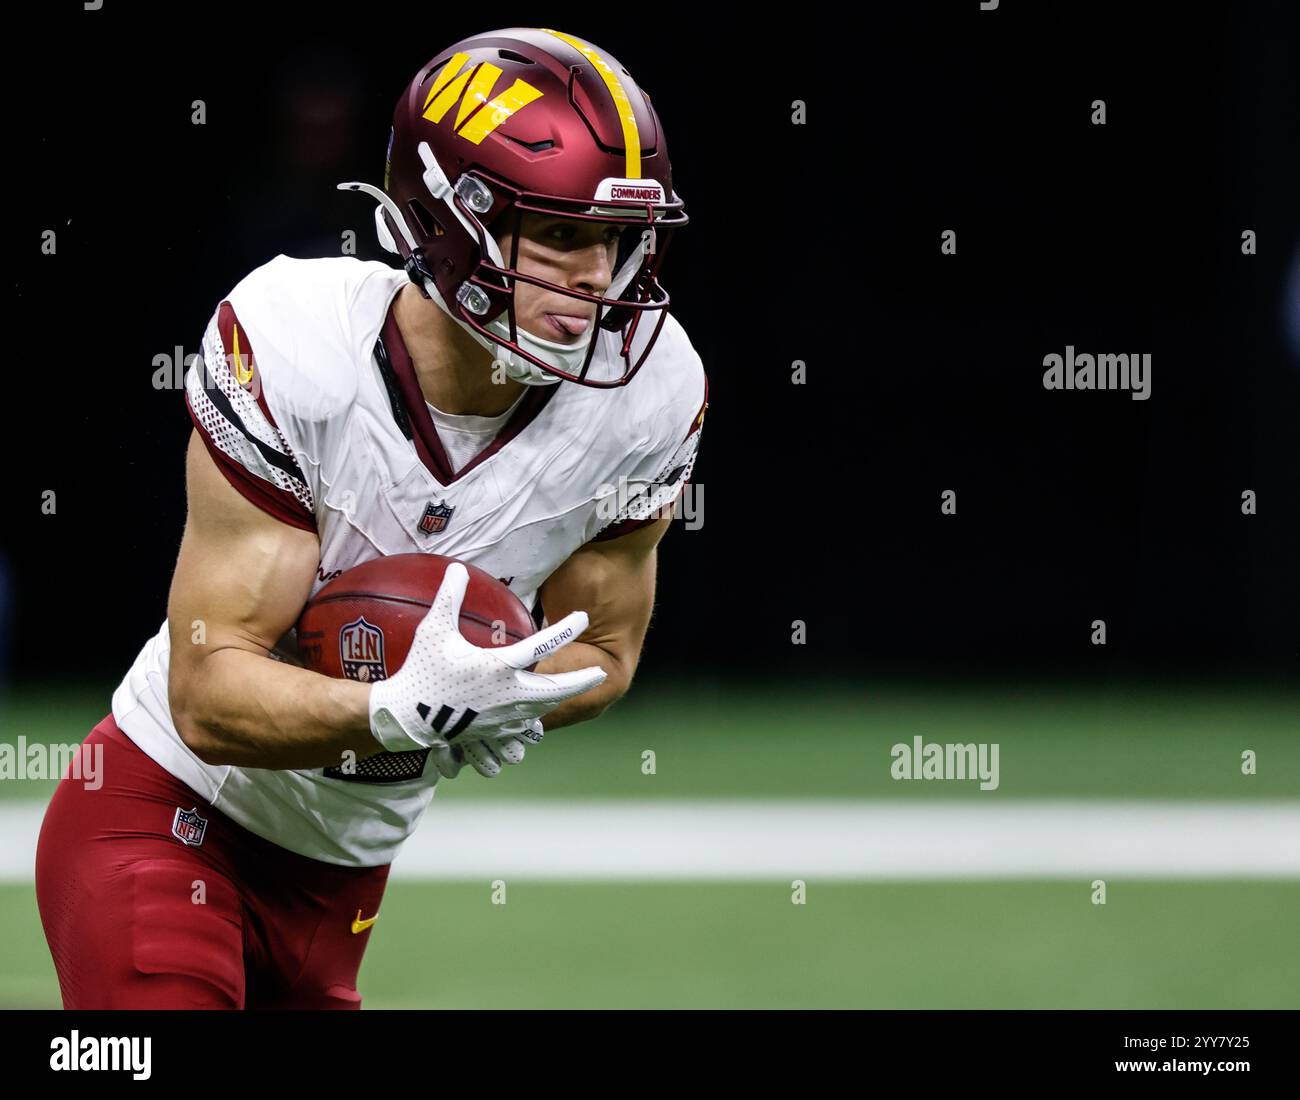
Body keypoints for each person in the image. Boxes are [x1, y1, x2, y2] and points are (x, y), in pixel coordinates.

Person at [35, 26, 707, 1010]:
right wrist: (400, 706)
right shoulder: (299, 344)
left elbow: (604, 649)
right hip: (167, 809)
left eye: (611, 239)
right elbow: (208, 690)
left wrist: (503, 689)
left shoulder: (652, 392)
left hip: (344, 879)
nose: (597, 276)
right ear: (454, 217)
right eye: (561, 234)